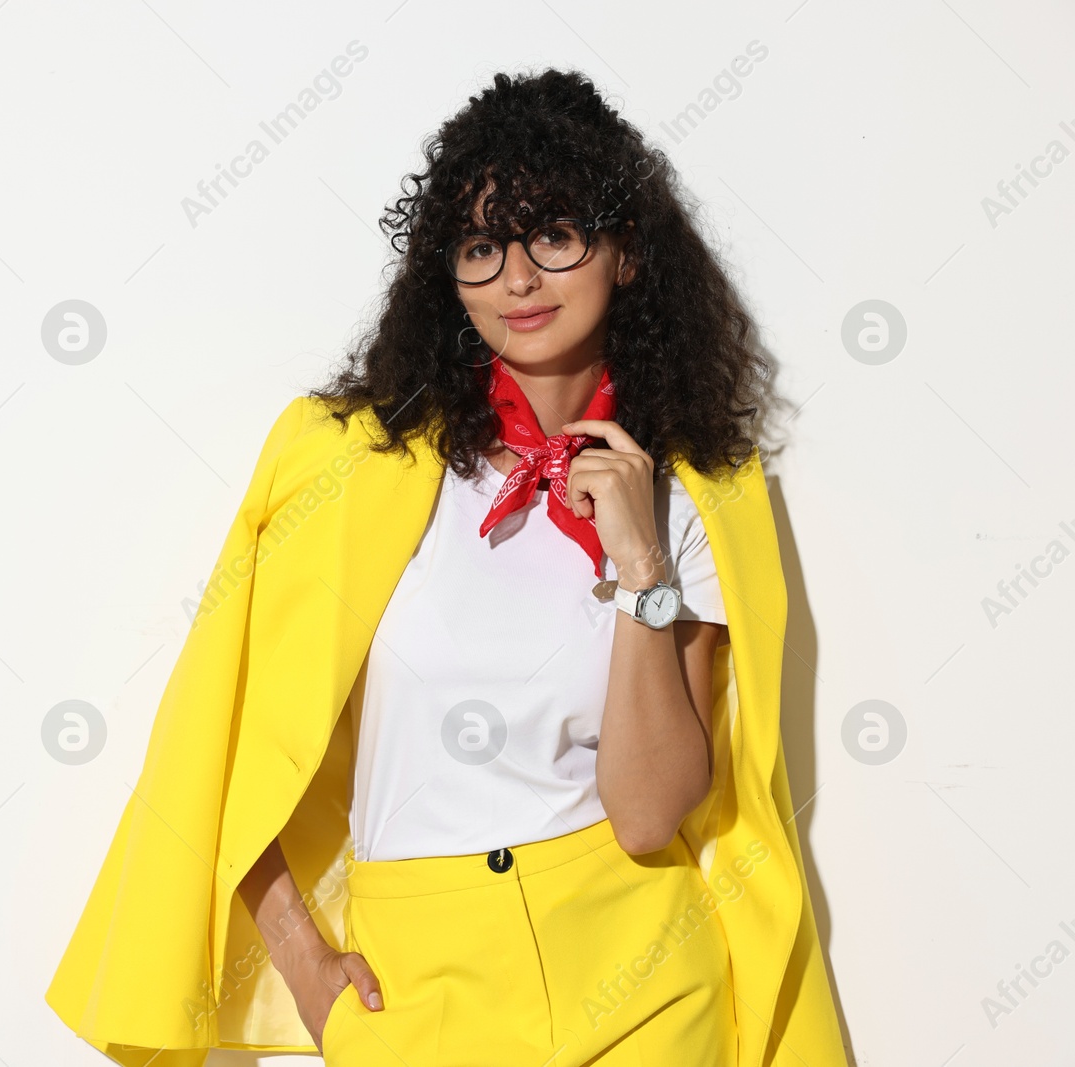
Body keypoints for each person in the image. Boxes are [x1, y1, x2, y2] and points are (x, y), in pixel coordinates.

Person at [45, 68, 848, 1067]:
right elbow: (223, 741)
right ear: (447, 274)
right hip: (416, 987)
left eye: (553, 235)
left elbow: (648, 813)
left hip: (641, 972)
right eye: (481, 246)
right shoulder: (342, 465)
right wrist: (303, 965)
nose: (518, 278)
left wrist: (641, 557)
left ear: (627, 252)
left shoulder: (692, 492)